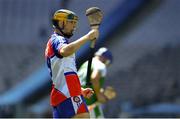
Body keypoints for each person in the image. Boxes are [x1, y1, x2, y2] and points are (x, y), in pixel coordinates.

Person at [45, 9, 99, 118]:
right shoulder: (58, 40)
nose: (74, 26)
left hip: (62, 94)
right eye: (71, 22)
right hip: (68, 94)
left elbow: (65, 72)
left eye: (75, 23)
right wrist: (87, 37)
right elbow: (65, 51)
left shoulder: (55, 41)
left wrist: (80, 90)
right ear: (61, 23)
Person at [78, 47, 116, 118]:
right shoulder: (101, 65)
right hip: (90, 101)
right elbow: (94, 78)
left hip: (76, 100)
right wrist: (99, 94)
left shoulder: (86, 64)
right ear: (106, 59)